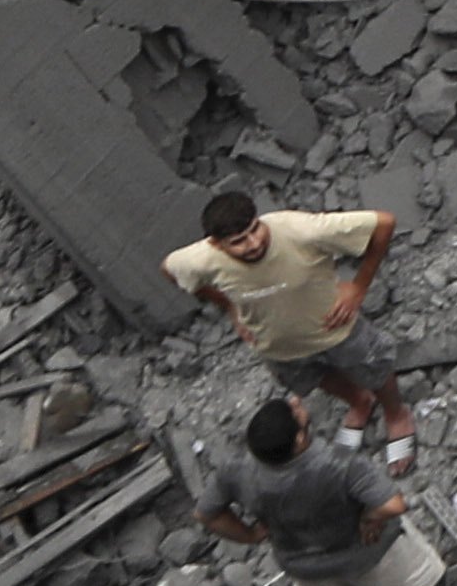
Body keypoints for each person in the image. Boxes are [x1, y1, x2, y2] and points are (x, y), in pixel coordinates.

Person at [163, 185, 413, 449]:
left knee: (375, 368)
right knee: (317, 378)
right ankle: (360, 402)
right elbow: (170, 270)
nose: (254, 243)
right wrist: (231, 308)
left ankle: (396, 414)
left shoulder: (301, 230)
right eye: (239, 241)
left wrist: (358, 287)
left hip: (336, 328)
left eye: (255, 229)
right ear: (215, 244)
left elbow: (383, 224)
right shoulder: (200, 260)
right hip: (277, 347)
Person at [201, 390, 451, 586]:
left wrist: (251, 535)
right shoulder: (340, 464)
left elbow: (207, 515)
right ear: (299, 439)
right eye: (293, 411)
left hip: (304, 563)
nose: (296, 401)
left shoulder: (235, 471)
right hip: (367, 553)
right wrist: (370, 518)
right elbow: (394, 505)